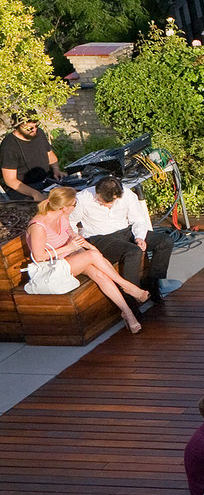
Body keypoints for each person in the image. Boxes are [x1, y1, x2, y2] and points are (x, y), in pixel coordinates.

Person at [26, 188, 147, 334]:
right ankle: (128, 286)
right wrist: (70, 248)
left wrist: (90, 247)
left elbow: (74, 237)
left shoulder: (62, 216)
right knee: (92, 256)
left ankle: (127, 313)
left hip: (71, 256)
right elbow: (38, 256)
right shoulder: (39, 226)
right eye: (74, 204)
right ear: (65, 207)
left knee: (100, 273)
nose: (75, 207)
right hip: (54, 265)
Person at [72, 176, 175, 306]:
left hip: (125, 231)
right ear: (97, 194)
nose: (109, 205)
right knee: (133, 252)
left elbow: (138, 219)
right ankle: (131, 297)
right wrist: (79, 242)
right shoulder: (82, 199)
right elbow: (70, 222)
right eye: (105, 202)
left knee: (165, 241)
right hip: (101, 237)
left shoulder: (127, 195)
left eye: (113, 202)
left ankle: (153, 285)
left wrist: (139, 237)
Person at [3, 113, 62, 199]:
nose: (34, 130)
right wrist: (34, 194)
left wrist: (56, 169)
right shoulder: (9, 146)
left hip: (46, 180)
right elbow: (10, 180)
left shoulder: (39, 133)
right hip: (24, 189)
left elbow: (49, 154)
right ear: (18, 126)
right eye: (30, 128)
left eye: (36, 126)